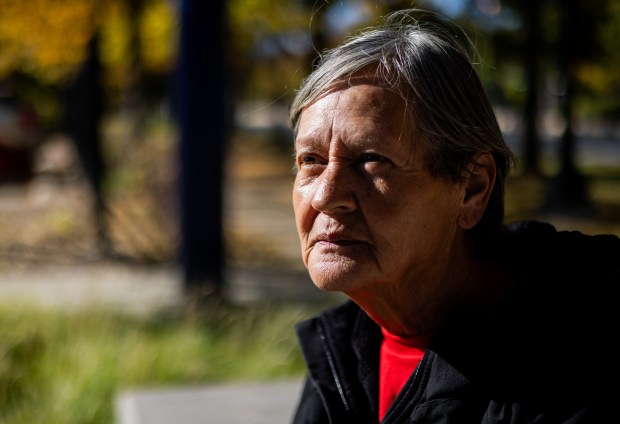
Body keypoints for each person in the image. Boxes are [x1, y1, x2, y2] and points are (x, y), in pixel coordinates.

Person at [287, 8, 620, 424]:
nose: (326, 195)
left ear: (471, 188)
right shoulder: (347, 348)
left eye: (372, 160)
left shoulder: (577, 367)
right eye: (311, 160)